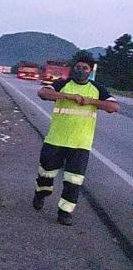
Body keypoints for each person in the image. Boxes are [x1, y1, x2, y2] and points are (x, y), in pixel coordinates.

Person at [32, 58, 119, 225]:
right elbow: (43, 93)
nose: (80, 70)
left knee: (73, 181)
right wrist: (69, 96)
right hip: (56, 140)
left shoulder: (97, 89)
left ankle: (64, 213)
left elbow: (113, 107)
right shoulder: (61, 84)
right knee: (45, 174)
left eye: (84, 68)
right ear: (73, 69)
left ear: (90, 71)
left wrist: (90, 101)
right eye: (78, 67)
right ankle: (41, 194)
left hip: (80, 144)